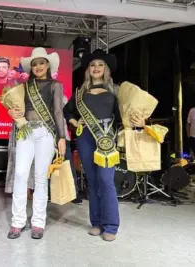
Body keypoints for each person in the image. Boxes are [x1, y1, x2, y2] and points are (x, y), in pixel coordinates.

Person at [64, 49, 144, 242]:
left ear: (106, 69)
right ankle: (96, 223)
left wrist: (136, 122)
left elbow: (122, 118)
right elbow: (66, 112)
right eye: (92, 65)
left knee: (106, 181)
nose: (96, 68)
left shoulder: (115, 91)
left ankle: (111, 225)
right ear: (88, 70)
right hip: (85, 140)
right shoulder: (79, 92)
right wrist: (75, 123)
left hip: (106, 139)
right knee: (92, 182)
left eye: (100, 65)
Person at [6, 47, 66, 240]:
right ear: (31, 67)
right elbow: (17, 109)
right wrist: (12, 113)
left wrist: (61, 137)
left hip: (46, 133)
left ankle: (38, 222)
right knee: (21, 174)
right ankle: (17, 221)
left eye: (41, 62)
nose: (38, 66)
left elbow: (58, 112)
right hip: (26, 130)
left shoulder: (55, 85)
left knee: (41, 177)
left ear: (47, 64)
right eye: (34, 64)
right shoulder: (24, 86)